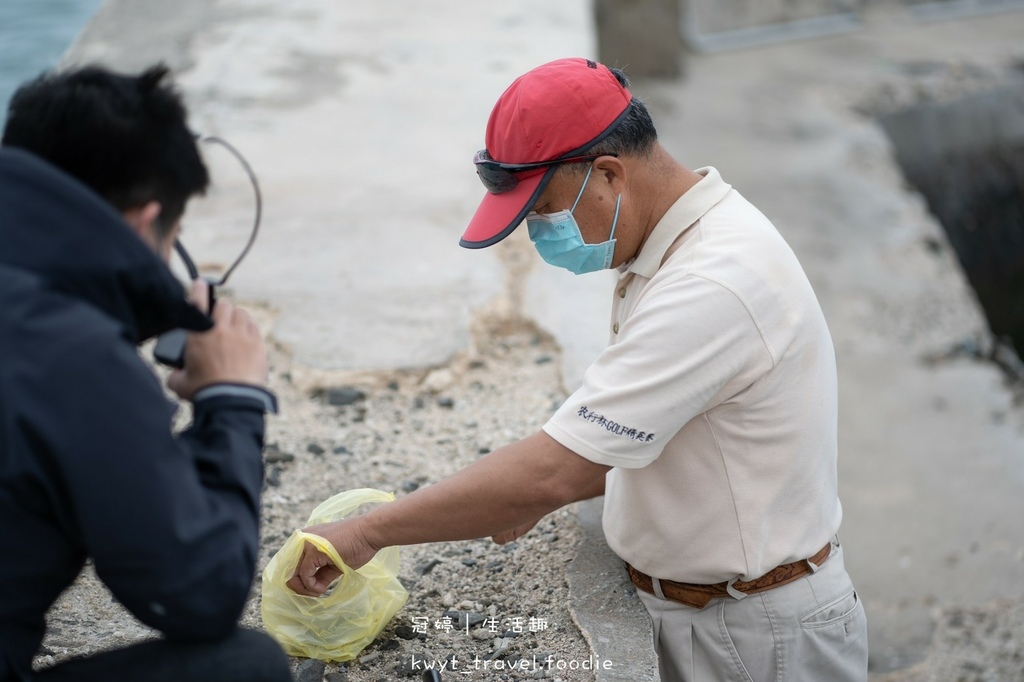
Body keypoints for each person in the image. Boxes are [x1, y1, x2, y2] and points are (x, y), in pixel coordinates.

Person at [288, 57, 868, 680]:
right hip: (703, 611)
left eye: (545, 210)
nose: (540, 235)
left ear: (609, 174)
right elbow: (630, 439)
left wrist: (368, 533)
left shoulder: (710, 284)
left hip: (757, 637)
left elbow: (553, 472)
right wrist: (515, 491)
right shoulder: (676, 244)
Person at [0, 64, 292, 682]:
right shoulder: (73, 357)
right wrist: (232, 400)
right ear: (143, 221)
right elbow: (198, 594)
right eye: (173, 239)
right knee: (246, 667)